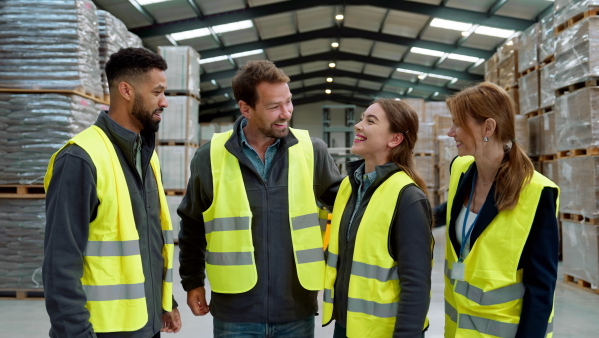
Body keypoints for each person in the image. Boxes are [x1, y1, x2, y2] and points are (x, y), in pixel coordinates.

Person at [177, 60, 342, 337]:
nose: (286, 113)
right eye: (274, 106)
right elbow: (192, 224)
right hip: (235, 313)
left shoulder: (312, 151)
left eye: (288, 102)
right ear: (246, 108)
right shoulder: (210, 157)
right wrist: (192, 281)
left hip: (295, 308)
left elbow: (348, 206)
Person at [43, 47, 181, 338]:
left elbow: (150, 240)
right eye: (157, 92)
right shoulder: (80, 159)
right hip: (104, 331)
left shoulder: (146, 154)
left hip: (147, 323)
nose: (164, 102)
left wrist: (165, 301)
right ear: (126, 90)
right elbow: (60, 263)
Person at [443, 82, 559, 337]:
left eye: (458, 124)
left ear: (488, 127)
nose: (450, 132)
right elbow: (448, 211)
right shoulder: (460, 169)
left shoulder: (537, 193)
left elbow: (541, 287)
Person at [322, 98, 433, 338]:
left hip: (383, 332)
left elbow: (416, 284)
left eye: (370, 121)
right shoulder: (349, 188)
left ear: (395, 139)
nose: (358, 126)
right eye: (362, 118)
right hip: (345, 325)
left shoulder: (407, 197)